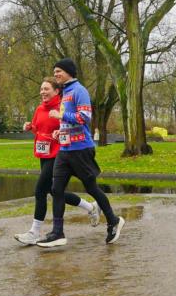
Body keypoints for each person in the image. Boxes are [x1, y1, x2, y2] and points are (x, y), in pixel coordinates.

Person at [41, 58, 124, 247]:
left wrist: (61, 115)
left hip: (81, 150)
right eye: (54, 72)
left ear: (69, 72)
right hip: (65, 149)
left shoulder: (79, 91)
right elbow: (70, 122)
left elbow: (85, 118)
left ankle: (113, 220)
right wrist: (60, 130)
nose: (56, 75)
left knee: (91, 188)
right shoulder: (65, 92)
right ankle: (57, 232)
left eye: (58, 72)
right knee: (56, 189)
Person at [15, 77, 100, 245]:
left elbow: (71, 127)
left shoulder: (62, 107)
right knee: (54, 192)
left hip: (58, 154)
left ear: (56, 91)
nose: (42, 92)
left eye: (46, 89)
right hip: (44, 155)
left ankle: (35, 232)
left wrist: (59, 134)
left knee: (40, 190)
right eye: (41, 89)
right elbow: (39, 129)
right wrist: (29, 127)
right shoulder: (39, 109)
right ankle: (90, 207)